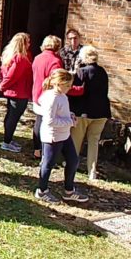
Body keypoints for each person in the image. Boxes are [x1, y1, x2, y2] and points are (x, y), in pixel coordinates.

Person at [34, 69, 89, 204]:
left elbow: (61, 112)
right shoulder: (51, 98)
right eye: (67, 86)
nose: (70, 88)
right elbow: (50, 121)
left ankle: (69, 191)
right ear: (58, 83)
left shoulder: (62, 95)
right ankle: (42, 190)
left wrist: (69, 115)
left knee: (73, 160)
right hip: (53, 136)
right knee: (48, 164)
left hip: (64, 134)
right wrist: (69, 122)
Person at [69, 45, 111, 181]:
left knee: (76, 141)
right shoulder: (103, 71)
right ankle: (92, 171)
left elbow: (76, 92)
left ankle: (71, 167)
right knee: (94, 142)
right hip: (101, 112)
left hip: (83, 112)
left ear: (84, 57)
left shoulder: (82, 72)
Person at [0, 32, 33, 153]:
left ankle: (8, 139)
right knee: (13, 117)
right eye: (27, 42)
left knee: (10, 116)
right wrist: (2, 86)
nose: (29, 44)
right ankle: (6, 142)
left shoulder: (10, 55)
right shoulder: (20, 58)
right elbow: (12, 76)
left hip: (15, 92)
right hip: (19, 93)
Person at [31, 35, 64, 158]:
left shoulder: (37, 58)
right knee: (47, 123)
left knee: (38, 120)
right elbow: (57, 79)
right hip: (48, 95)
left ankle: (36, 149)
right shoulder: (55, 61)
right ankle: (45, 151)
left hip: (36, 92)